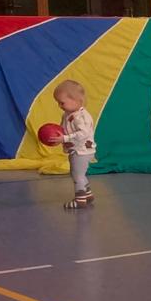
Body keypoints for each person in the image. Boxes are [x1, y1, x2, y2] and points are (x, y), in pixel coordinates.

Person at [54, 79, 96, 210]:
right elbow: (64, 128)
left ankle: (80, 200)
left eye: (62, 102)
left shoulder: (81, 117)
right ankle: (88, 195)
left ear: (77, 100)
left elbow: (83, 133)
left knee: (77, 175)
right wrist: (58, 135)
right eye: (57, 102)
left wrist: (65, 138)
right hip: (76, 149)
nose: (59, 105)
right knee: (76, 173)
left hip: (82, 151)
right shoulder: (67, 114)